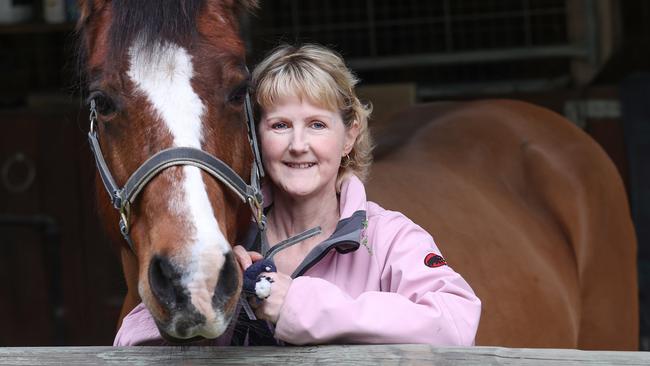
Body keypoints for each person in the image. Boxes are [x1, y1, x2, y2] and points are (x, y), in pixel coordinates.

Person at [114, 44, 481, 346]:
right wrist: (222, 295)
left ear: (349, 135)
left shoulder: (388, 236)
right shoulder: (226, 237)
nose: (298, 145)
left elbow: (455, 323)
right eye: (280, 125)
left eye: (317, 125)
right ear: (255, 138)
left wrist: (301, 307)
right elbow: (129, 339)